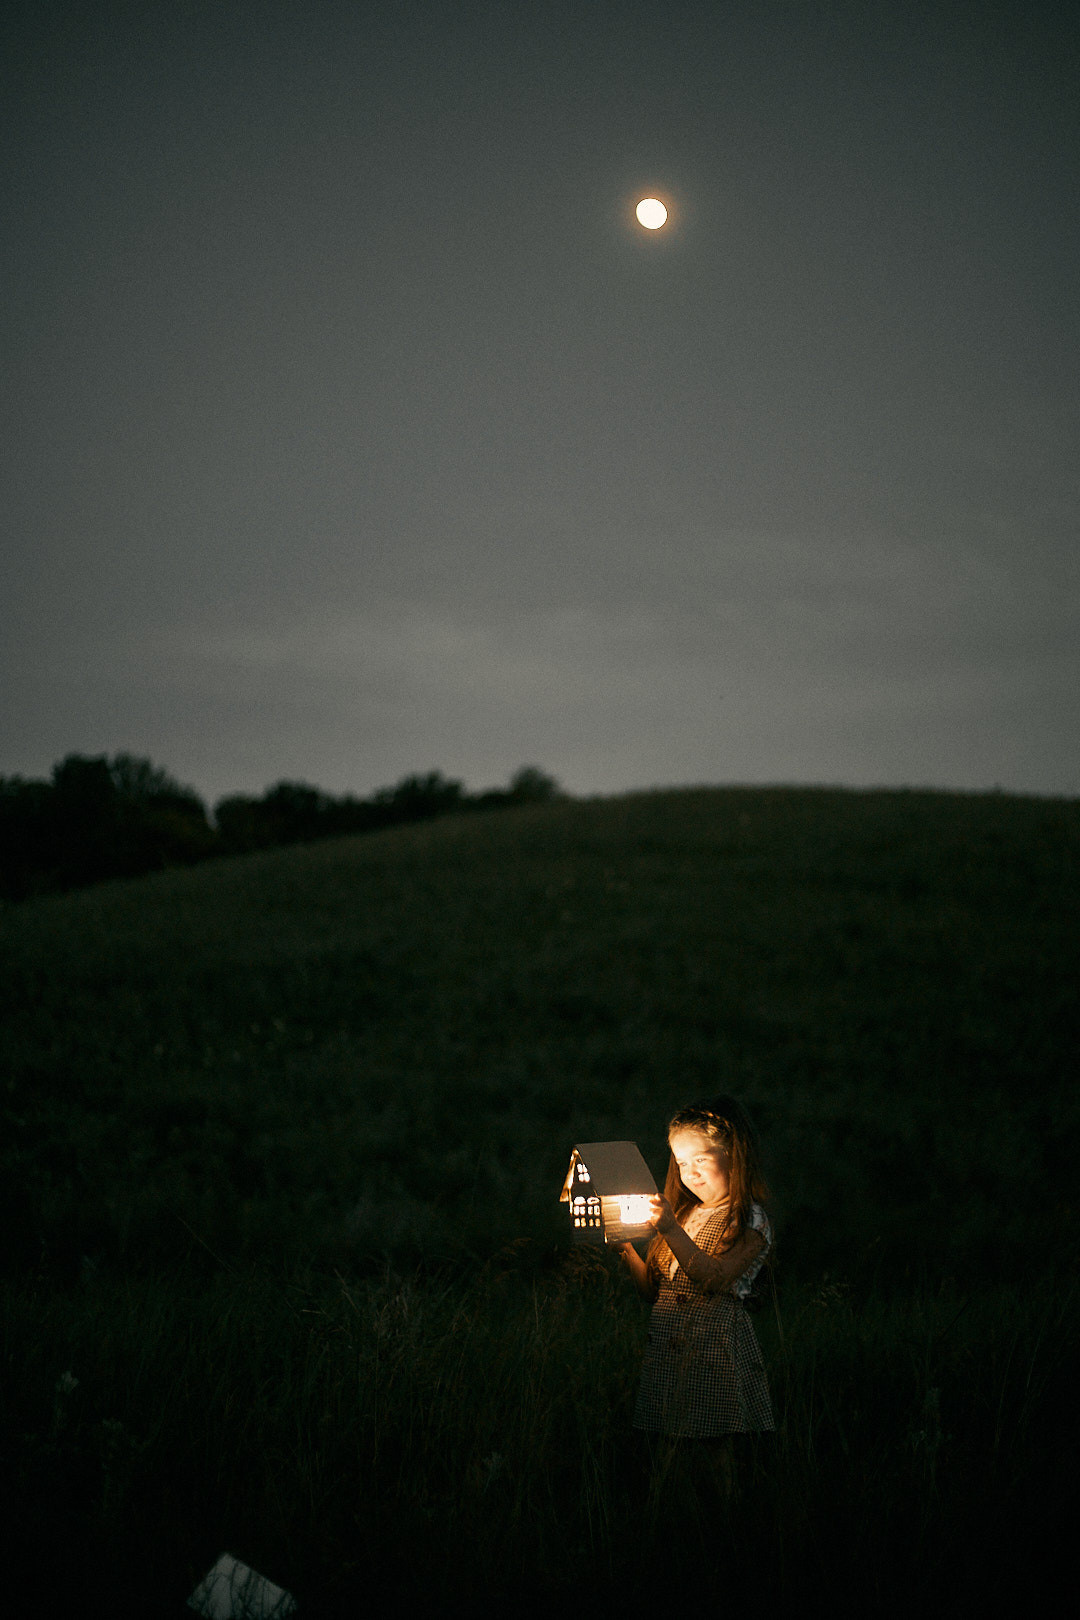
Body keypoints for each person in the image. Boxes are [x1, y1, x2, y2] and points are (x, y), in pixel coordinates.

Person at [620, 1096, 774, 1476]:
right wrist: (622, 1245)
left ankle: (723, 1524)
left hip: (713, 1349)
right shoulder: (685, 1214)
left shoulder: (747, 1218)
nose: (691, 1174)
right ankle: (671, 1518)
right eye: (683, 1163)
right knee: (669, 1447)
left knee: (713, 1447)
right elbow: (653, 1293)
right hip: (669, 1349)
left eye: (701, 1160)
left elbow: (715, 1279)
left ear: (733, 1156)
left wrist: (670, 1229)